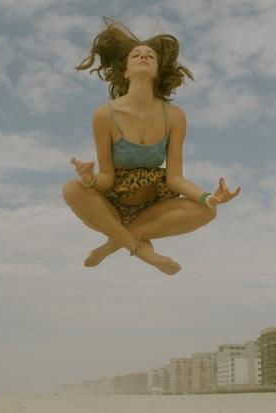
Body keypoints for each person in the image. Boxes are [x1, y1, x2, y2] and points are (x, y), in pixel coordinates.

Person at [62, 17, 241, 275]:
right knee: (71, 189)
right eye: (137, 54)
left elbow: (175, 178)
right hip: (110, 207)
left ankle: (113, 244)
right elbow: (107, 179)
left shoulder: (175, 116)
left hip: (151, 209)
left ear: (157, 71)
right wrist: (89, 179)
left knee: (208, 211)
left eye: (150, 56)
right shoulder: (104, 115)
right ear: (125, 70)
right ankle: (143, 251)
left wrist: (209, 197)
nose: (144, 56)